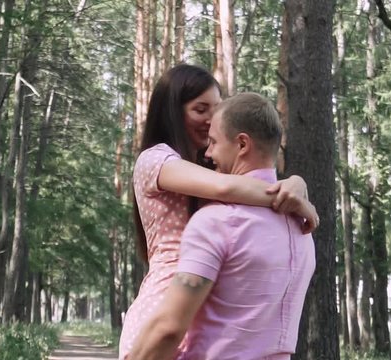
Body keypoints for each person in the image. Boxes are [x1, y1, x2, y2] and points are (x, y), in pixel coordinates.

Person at [118, 65, 318, 359]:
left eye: (216, 108)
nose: (211, 118)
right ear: (173, 111)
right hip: (163, 308)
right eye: (200, 109)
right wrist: (290, 196)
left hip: (203, 310)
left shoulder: (211, 165)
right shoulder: (155, 160)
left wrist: (295, 185)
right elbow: (226, 188)